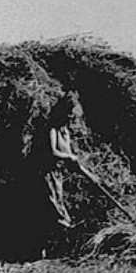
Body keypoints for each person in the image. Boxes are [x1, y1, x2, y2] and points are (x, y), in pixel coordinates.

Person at [42, 94, 79, 229]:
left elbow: (69, 154)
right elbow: (53, 152)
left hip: (57, 173)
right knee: (53, 207)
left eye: (71, 113)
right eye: (68, 113)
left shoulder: (66, 132)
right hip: (46, 172)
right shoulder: (52, 129)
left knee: (59, 200)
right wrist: (69, 158)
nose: (70, 116)